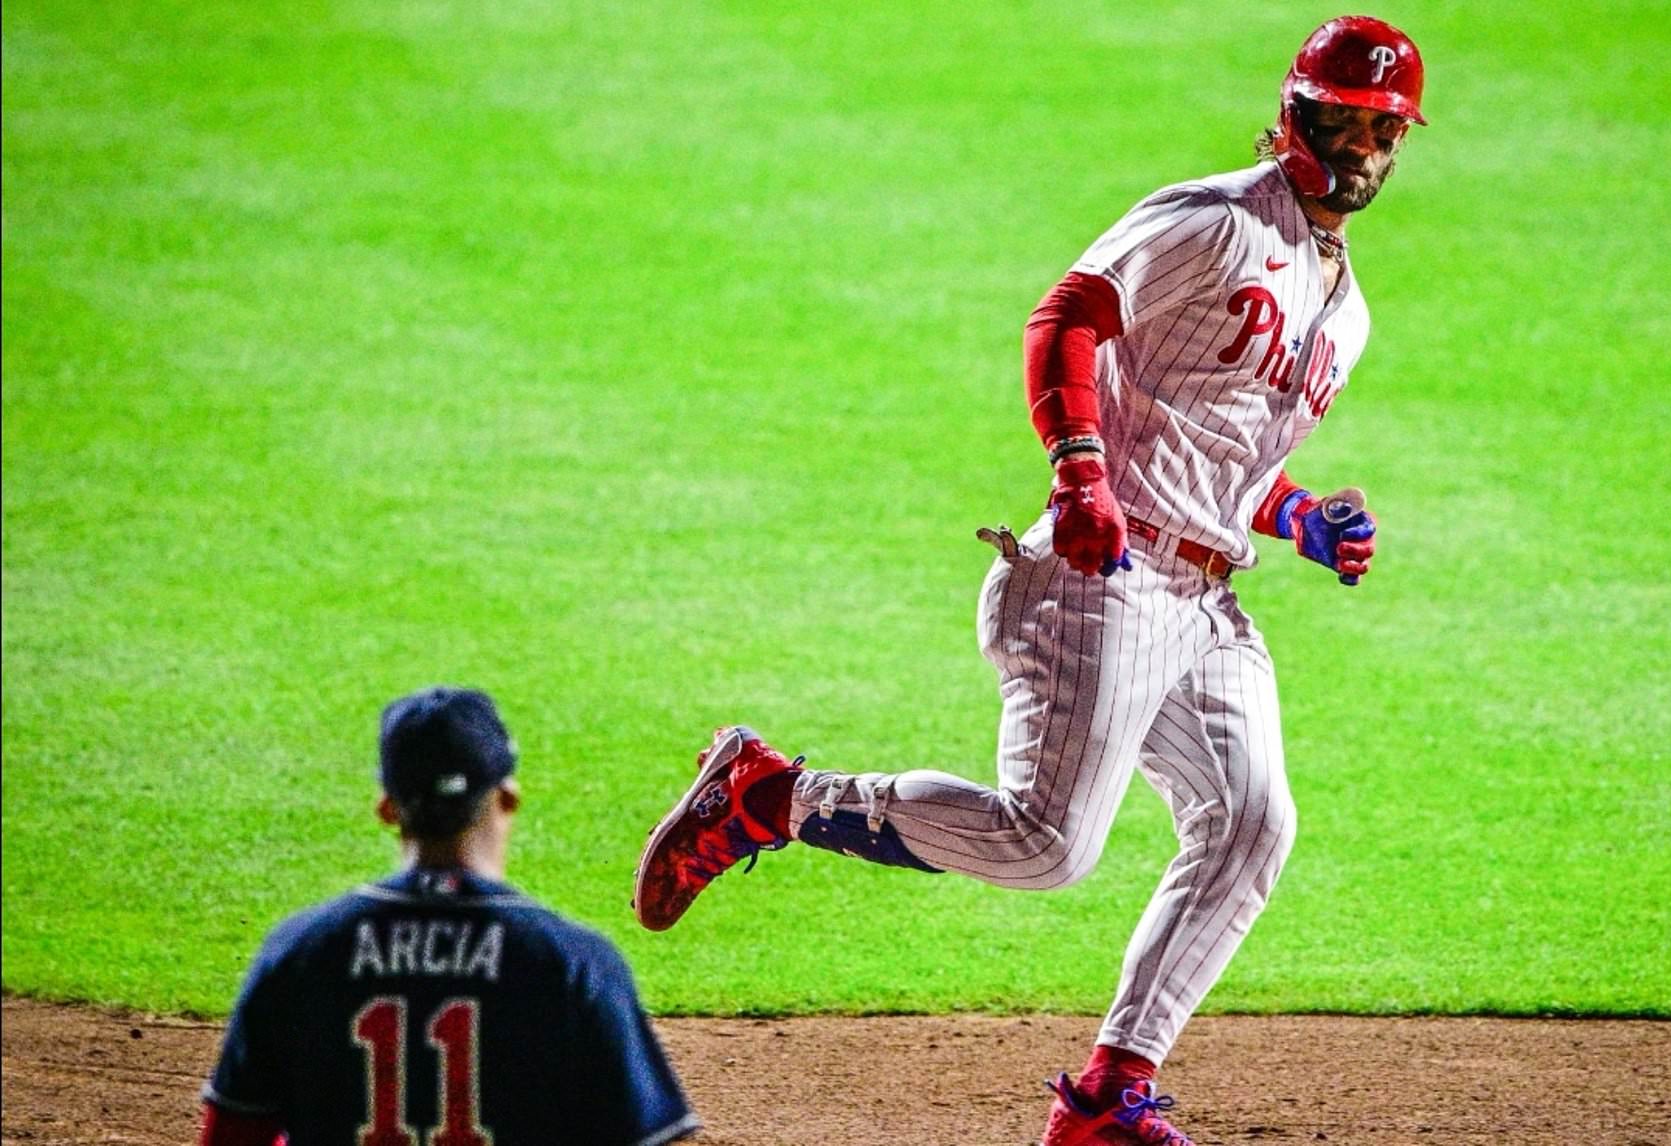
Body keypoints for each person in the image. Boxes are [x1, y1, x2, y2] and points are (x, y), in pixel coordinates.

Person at [634, 16, 1424, 1146]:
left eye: (1379, 127)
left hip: (1202, 602)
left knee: (1252, 823)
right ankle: (774, 796)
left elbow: (1225, 453)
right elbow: (1067, 317)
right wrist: (1081, 471)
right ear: (1294, 112)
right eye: (1339, 117)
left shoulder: (1345, 312)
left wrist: (1304, 516)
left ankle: (1108, 1097)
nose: (1357, 144)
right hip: (1102, 570)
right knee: (1049, 846)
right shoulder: (1213, 220)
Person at [201, 687, 698, 1146]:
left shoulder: (301, 951)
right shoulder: (572, 963)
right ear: (507, 797)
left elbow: (230, 1136)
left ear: (388, 809)